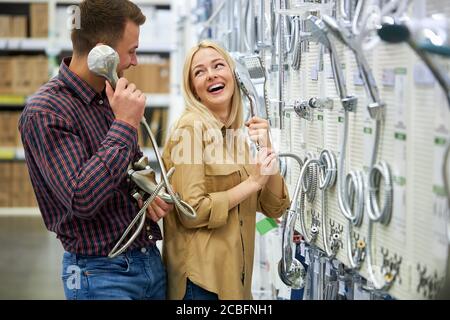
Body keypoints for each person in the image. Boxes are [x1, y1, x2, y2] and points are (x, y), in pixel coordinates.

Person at [18, 0, 172, 300]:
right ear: (104, 53)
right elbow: (82, 197)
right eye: (132, 51)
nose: (135, 62)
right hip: (100, 275)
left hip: (148, 262)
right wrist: (125, 123)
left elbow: (127, 169)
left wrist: (146, 194)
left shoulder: (109, 96)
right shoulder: (46, 112)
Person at [162, 40, 291, 300]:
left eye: (218, 65)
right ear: (194, 89)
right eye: (199, 72)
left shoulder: (233, 137)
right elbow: (191, 211)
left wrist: (267, 146)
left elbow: (274, 207)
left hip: (236, 285)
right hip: (201, 285)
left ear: (232, 75)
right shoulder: (190, 129)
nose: (211, 75)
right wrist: (253, 182)